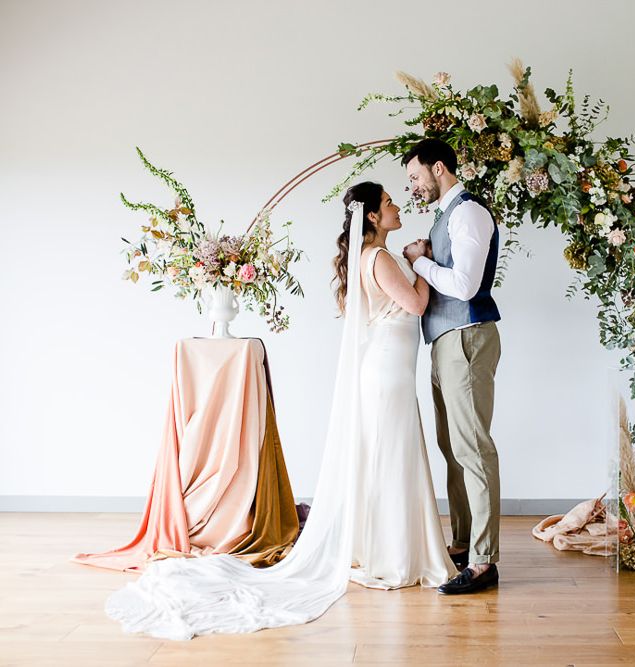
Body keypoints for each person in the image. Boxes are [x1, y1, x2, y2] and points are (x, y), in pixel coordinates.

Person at [104, 181, 455, 640]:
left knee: (387, 460)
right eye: (389, 202)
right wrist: (420, 263)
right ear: (371, 216)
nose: (396, 207)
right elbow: (417, 303)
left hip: (386, 369)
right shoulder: (381, 258)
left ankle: (383, 548)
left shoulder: (366, 259)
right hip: (387, 371)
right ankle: (393, 555)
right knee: (393, 459)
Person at [402, 138, 502, 595]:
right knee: (452, 447)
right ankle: (463, 544)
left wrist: (420, 261)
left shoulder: (469, 213)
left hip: (468, 336)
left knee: (473, 448)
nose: (413, 186)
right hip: (445, 341)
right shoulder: (446, 216)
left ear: (438, 168)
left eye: (416, 177)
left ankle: (484, 561)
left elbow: (464, 286)